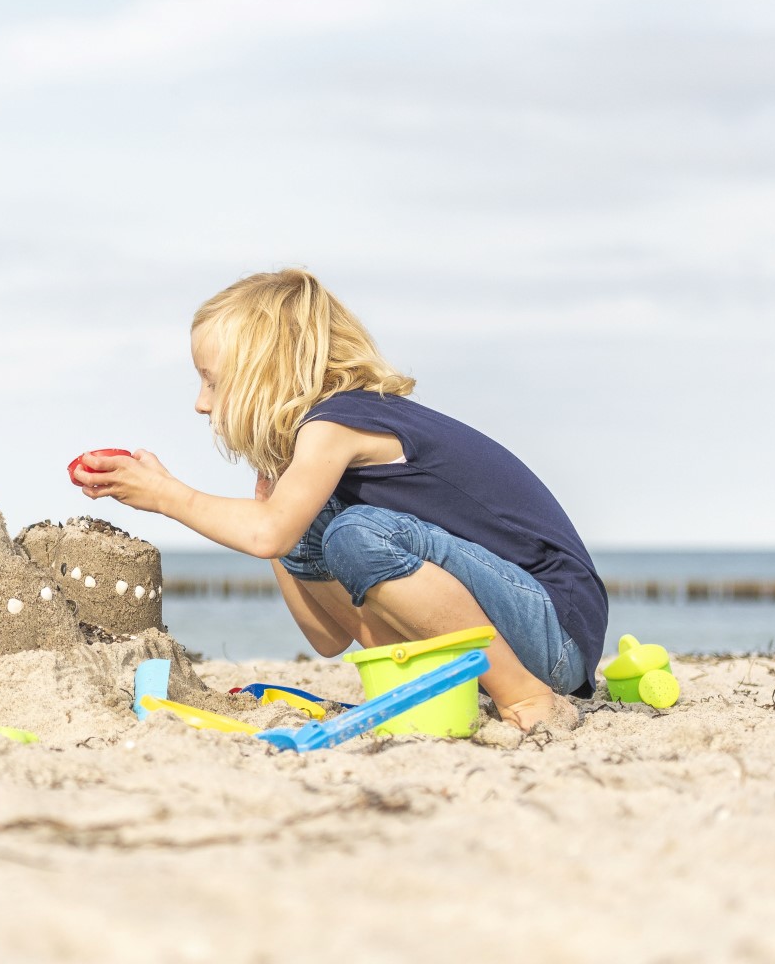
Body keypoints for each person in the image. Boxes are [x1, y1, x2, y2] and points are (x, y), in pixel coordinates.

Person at [74, 269, 606, 730]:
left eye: (212, 382)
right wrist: (275, 520)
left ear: (265, 371)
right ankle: (446, 683)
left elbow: (267, 533)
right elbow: (327, 637)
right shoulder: (316, 454)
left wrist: (166, 495)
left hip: (554, 633)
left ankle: (528, 697)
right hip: (510, 638)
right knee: (323, 528)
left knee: (356, 534)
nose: (200, 403)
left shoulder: (340, 421)